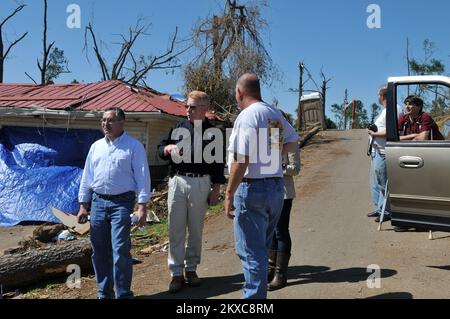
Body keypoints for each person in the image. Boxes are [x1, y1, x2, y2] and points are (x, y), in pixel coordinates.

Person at [225, 73, 298, 299]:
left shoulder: (248, 116)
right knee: (261, 249)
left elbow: (241, 158)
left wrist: (229, 194)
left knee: (251, 253)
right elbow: (292, 140)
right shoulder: (273, 113)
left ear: (240, 92)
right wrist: (271, 152)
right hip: (274, 188)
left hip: (252, 188)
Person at [77, 107, 151, 299]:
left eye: (110, 120)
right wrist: (83, 205)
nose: (105, 124)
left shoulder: (133, 146)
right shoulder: (96, 147)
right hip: (98, 202)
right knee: (99, 251)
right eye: (103, 120)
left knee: (120, 249)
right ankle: (104, 293)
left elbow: (143, 177)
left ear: (121, 122)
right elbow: (87, 177)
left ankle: (124, 294)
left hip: (122, 203)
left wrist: (142, 205)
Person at [158, 91, 226, 294]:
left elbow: (217, 163)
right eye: (187, 106)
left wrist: (216, 188)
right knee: (175, 229)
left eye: (193, 107)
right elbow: (159, 149)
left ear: (204, 109)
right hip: (178, 181)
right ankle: (176, 273)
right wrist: (167, 148)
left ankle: (191, 270)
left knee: (196, 229)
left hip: (201, 183)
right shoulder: (178, 128)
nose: (188, 110)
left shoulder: (214, 133)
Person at [267, 140, 300, 291]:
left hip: (284, 192)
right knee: (270, 232)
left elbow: (295, 168)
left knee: (280, 231)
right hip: (265, 191)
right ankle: (271, 268)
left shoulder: (290, 141)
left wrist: (276, 168)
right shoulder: (267, 140)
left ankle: (281, 275)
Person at [367, 86, 391, 223]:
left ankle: (385, 211)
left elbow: (390, 130)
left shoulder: (392, 110)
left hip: (383, 151)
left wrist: (373, 133)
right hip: (376, 151)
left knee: (383, 183)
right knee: (375, 183)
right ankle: (379, 209)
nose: (377, 97)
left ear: (382, 96)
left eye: (378, 94)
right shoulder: (385, 111)